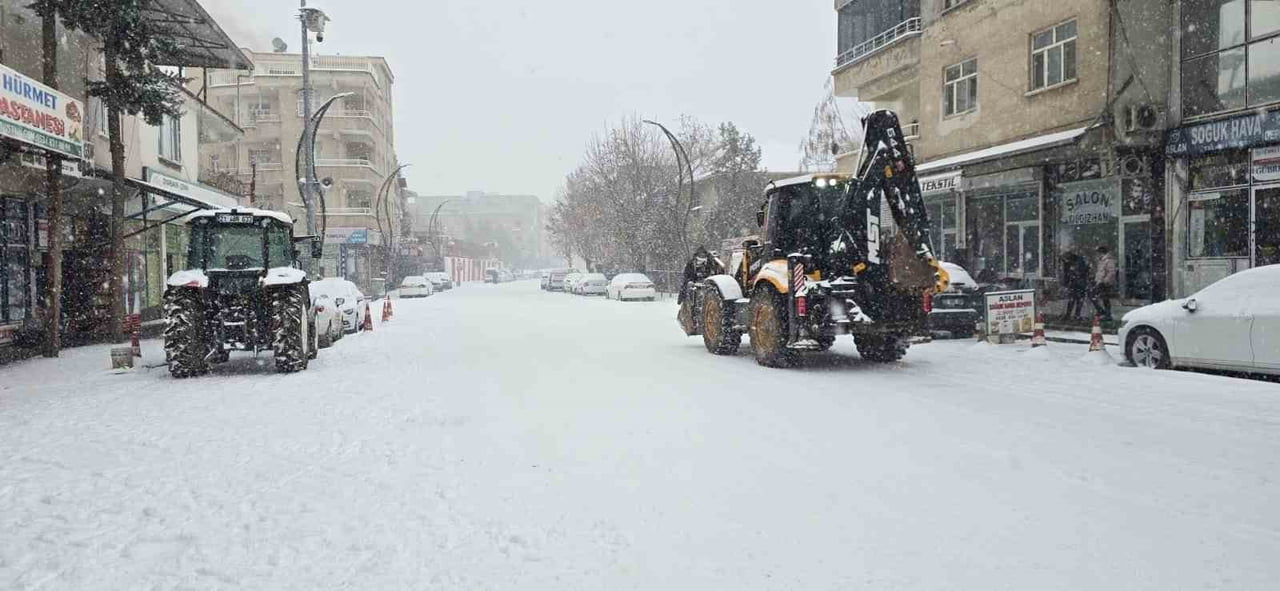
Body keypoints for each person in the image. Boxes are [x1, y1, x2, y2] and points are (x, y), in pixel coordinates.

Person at [1059, 251, 1090, 322]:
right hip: (1073, 283)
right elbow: (1066, 273)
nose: (1066, 261)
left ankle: (1076, 315)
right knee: (1072, 299)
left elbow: (1084, 271)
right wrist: (1066, 283)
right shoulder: (1067, 263)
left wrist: (1076, 273)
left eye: (1066, 260)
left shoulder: (1080, 261)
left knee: (1078, 300)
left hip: (1080, 283)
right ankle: (1069, 315)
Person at [1090, 245, 1117, 322]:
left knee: (1102, 298)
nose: (1097, 254)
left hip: (1104, 283)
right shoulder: (1102, 260)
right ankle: (1104, 313)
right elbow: (1100, 272)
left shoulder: (1108, 260)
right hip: (1100, 282)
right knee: (1102, 298)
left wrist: (1105, 281)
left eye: (1098, 252)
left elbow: (1111, 272)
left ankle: (1105, 313)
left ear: (1101, 252)